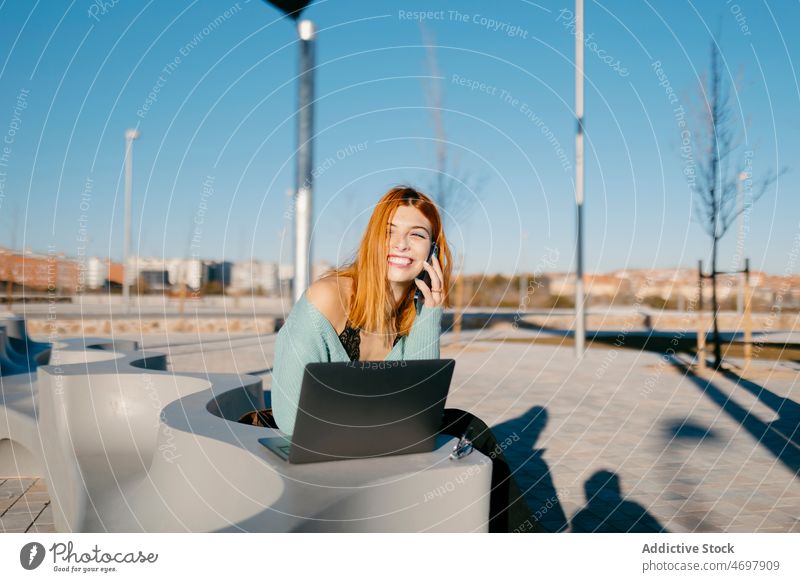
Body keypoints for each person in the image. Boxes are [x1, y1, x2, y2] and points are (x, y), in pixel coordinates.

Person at [264, 185, 538, 533]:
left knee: (472, 431)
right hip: (316, 449)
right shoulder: (328, 297)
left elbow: (423, 410)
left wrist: (431, 313)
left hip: (385, 440)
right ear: (373, 240)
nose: (401, 244)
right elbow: (288, 417)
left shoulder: (415, 311)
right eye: (389, 231)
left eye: (417, 234)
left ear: (434, 250)